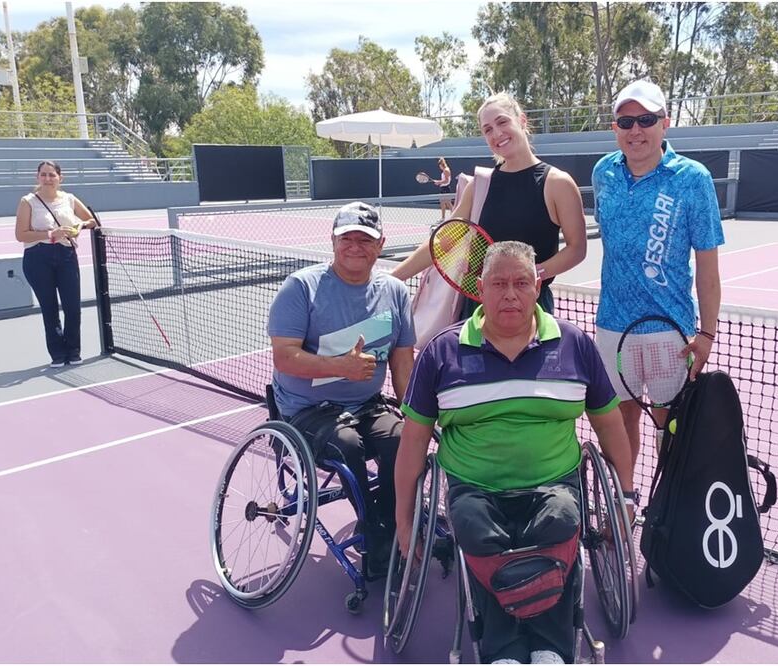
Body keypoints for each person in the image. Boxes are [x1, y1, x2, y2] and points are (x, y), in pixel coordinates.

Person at [394, 241, 635, 664]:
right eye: (499, 283)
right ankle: (502, 649)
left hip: (554, 482)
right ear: (480, 290)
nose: (510, 294)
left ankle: (550, 649)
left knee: (560, 519)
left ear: (537, 285)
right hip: (474, 487)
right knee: (474, 527)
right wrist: (403, 516)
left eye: (521, 282)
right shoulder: (441, 352)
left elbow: (610, 423)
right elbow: (414, 440)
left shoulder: (574, 344)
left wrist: (625, 495)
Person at [267, 201, 415, 579]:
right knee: (348, 445)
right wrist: (339, 368)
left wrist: (417, 415)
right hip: (307, 410)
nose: (355, 246)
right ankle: (376, 532)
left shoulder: (395, 292)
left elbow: (401, 363)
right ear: (332, 242)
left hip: (369, 404)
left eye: (364, 239)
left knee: (404, 439)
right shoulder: (302, 288)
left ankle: (389, 522)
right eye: (346, 238)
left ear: (380, 244)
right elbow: (284, 357)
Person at [592, 79, 724, 469]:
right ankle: (624, 506)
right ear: (615, 127)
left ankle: (667, 510)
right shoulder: (604, 173)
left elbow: (708, 268)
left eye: (646, 120)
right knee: (619, 422)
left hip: (671, 333)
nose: (636, 130)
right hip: (613, 328)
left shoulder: (693, 179)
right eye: (625, 121)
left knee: (672, 430)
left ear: (665, 123)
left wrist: (707, 333)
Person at [392, 93, 588, 319]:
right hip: (477, 310)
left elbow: (577, 249)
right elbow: (441, 244)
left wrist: (531, 276)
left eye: (502, 122)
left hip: (531, 310)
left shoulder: (557, 183)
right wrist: (392, 279)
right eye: (487, 129)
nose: (497, 133)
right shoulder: (478, 187)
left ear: (522, 121)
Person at [14, 160, 99, 368]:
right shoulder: (28, 201)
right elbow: (20, 234)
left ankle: (73, 350)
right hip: (37, 257)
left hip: (66, 255)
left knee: (72, 307)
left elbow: (92, 221)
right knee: (49, 308)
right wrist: (51, 233)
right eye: (43, 175)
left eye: (52, 175)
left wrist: (78, 227)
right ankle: (58, 355)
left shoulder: (69, 199)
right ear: (37, 177)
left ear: (60, 177)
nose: (48, 179)